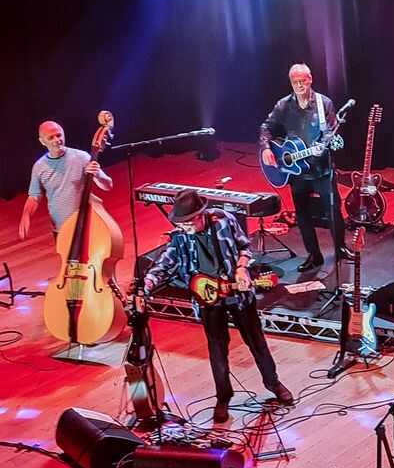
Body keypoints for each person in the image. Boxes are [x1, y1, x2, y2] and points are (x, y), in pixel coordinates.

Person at [143, 189, 293, 423]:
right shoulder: (180, 237)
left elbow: (245, 247)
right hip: (208, 299)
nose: (184, 227)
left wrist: (242, 268)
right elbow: (164, 264)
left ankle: (273, 383)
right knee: (217, 350)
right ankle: (223, 397)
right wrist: (148, 283)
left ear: (199, 216)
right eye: (181, 223)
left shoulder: (224, 220)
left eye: (187, 223)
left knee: (256, 341)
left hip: (238, 293)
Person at [259, 63, 354, 272]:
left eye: (303, 81)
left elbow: (332, 130)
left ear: (310, 79)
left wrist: (329, 142)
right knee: (302, 213)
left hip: (321, 168)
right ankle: (313, 255)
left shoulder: (323, 103)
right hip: (296, 170)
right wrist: (266, 148)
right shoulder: (283, 105)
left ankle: (340, 247)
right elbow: (266, 126)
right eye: (295, 82)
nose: (299, 85)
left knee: (332, 209)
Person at [19, 121, 113, 239]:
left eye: (59, 135)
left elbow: (108, 185)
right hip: (60, 229)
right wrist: (26, 215)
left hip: (86, 224)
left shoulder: (81, 157)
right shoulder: (39, 167)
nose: (57, 140)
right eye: (51, 138)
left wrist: (97, 175)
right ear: (42, 141)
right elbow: (34, 196)